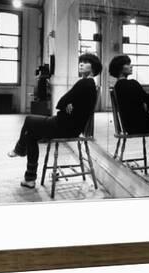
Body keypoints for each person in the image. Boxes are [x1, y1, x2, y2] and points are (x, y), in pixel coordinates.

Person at [8, 53, 102, 188]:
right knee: (30, 135)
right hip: (68, 125)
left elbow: (61, 102)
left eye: (86, 62)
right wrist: (69, 104)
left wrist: (68, 104)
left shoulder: (85, 83)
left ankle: (20, 150)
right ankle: (29, 178)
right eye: (80, 61)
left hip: (65, 127)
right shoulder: (89, 84)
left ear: (94, 67)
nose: (81, 64)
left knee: (29, 120)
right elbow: (67, 102)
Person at [108, 55, 149, 170]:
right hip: (138, 126)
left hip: (126, 126)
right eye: (127, 64)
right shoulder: (132, 84)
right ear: (120, 68)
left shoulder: (117, 86)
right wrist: (144, 104)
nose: (131, 66)